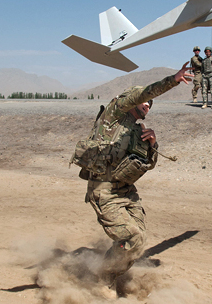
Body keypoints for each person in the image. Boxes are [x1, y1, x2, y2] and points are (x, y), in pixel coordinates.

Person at [77, 63, 192, 296]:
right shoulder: (114, 115)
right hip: (105, 191)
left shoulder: (139, 131)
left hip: (127, 192)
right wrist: (174, 80)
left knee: (137, 243)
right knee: (132, 238)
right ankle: (104, 279)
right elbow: (144, 92)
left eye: (150, 105)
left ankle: (109, 270)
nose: (147, 105)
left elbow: (148, 164)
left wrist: (152, 145)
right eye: (145, 102)